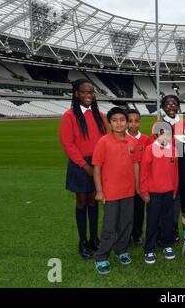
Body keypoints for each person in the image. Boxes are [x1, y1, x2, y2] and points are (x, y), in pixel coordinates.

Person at [59, 79, 107, 259]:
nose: (88, 96)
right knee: (82, 202)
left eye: (91, 92)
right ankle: (82, 242)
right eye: (84, 92)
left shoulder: (99, 115)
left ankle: (94, 238)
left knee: (94, 200)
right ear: (76, 94)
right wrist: (84, 165)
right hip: (80, 164)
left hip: (97, 162)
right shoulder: (69, 115)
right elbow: (68, 143)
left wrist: (99, 163)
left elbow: (104, 141)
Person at [92, 107, 140, 275]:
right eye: (115, 120)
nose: (119, 123)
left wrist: (137, 186)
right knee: (109, 226)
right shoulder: (103, 141)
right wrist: (99, 190)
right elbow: (97, 167)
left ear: (127, 122)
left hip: (128, 191)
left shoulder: (133, 142)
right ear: (110, 123)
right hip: (110, 192)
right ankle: (102, 257)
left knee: (126, 224)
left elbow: (135, 165)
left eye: (122, 119)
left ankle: (121, 250)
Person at [140, 122, 179, 264]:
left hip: (169, 192)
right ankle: (149, 249)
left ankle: (167, 245)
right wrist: (144, 191)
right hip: (153, 193)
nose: (166, 136)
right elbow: (143, 172)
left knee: (168, 221)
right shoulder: (150, 149)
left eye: (169, 133)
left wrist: (174, 189)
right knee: (152, 221)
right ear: (156, 134)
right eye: (162, 133)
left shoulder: (173, 150)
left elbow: (175, 172)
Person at [156, 95, 185, 243]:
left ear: (178, 106)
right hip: (165, 168)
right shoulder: (158, 124)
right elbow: (156, 149)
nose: (171, 107)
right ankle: (162, 229)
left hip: (182, 167)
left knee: (177, 200)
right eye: (168, 105)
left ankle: (173, 228)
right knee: (165, 200)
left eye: (174, 104)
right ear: (163, 107)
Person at [126, 109, 151, 247]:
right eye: (130, 121)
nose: (133, 124)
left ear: (140, 122)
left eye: (136, 121)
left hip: (140, 181)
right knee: (125, 210)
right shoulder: (122, 138)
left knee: (139, 210)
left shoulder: (146, 139)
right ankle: (126, 235)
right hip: (125, 181)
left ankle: (137, 235)